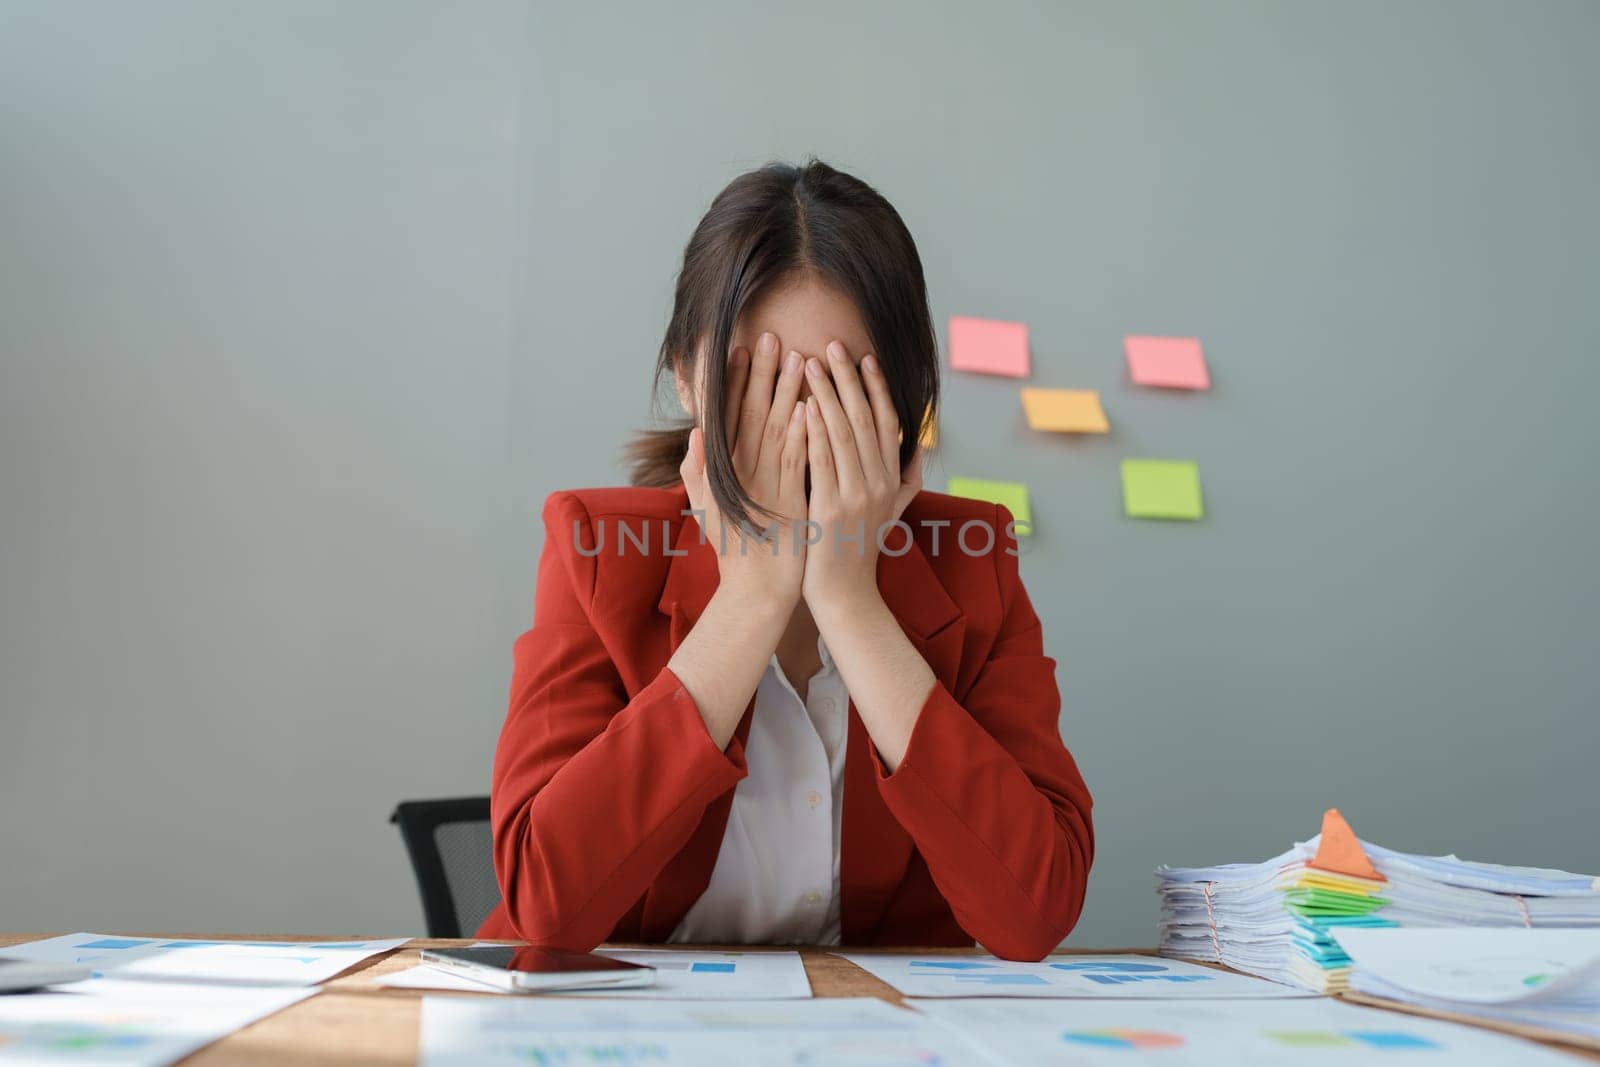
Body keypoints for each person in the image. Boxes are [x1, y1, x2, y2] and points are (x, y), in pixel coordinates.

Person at [476, 160, 1093, 961]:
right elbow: (545, 906)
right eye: (761, 385)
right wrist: (752, 598)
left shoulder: (974, 561)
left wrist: (851, 599)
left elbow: (1034, 911)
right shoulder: (596, 547)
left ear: (908, 402)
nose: (800, 432)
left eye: (842, 389)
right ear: (686, 382)